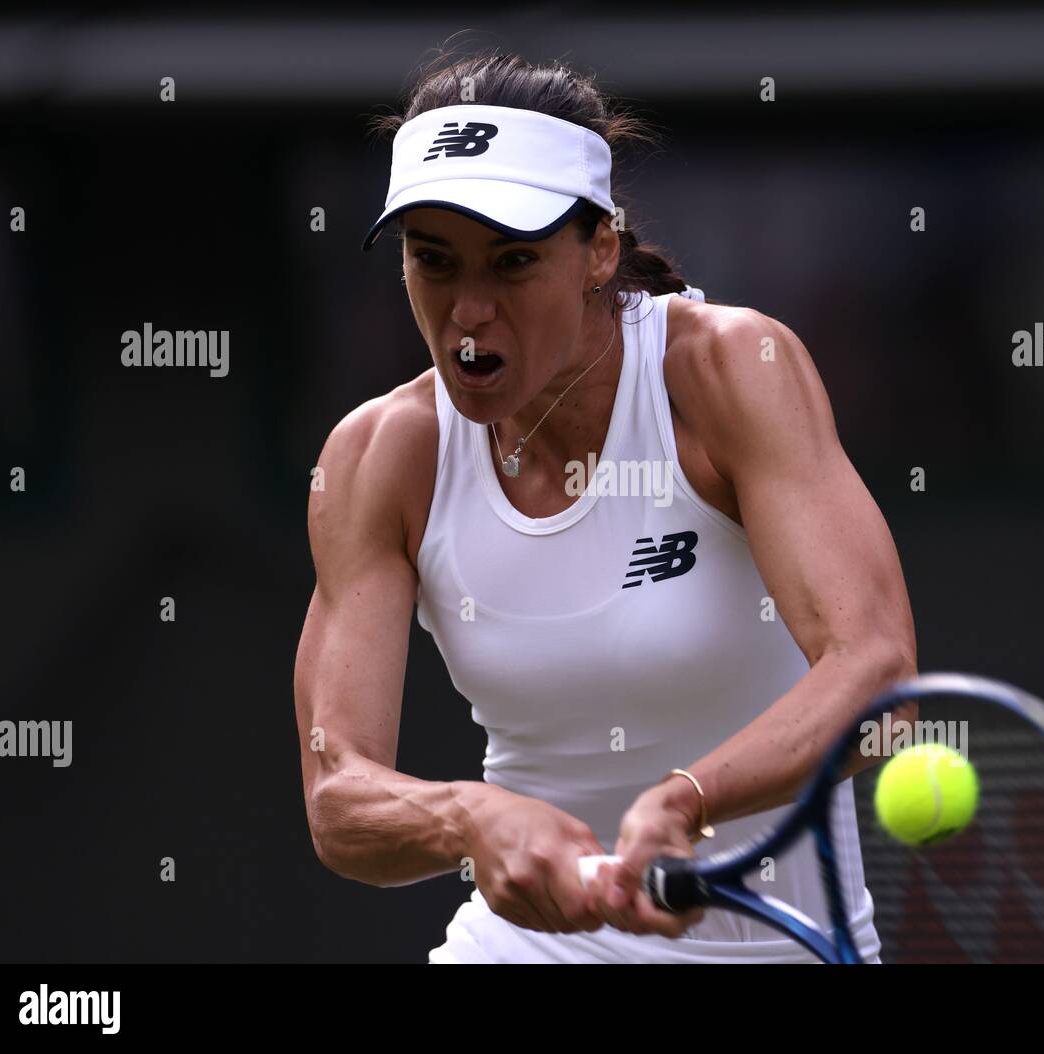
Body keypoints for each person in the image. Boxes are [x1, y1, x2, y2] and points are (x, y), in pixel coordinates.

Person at [293, 50, 917, 963]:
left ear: (600, 251)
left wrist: (687, 800)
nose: (468, 312)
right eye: (433, 261)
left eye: (513, 262)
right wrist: (469, 817)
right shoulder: (379, 456)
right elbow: (338, 797)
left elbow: (879, 679)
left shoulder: (731, 371)